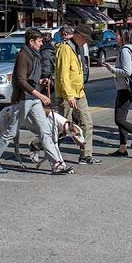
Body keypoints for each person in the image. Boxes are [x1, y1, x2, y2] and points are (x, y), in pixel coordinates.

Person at [0, 28, 72, 175]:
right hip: (23, 100)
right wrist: (40, 94)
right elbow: (21, 81)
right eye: (39, 41)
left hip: (34, 99)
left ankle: (57, 164)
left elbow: (31, 78)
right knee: (11, 132)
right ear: (31, 41)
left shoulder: (35, 55)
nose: (41, 43)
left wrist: (41, 81)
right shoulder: (23, 56)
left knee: (45, 131)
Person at [54, 24, 99, 165]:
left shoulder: (78, 48)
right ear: (78, 35)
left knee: (87, 123)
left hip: (79, 92)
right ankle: (42, 146)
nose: (86, 41)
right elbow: (63, 75)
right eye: (85, 38)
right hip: (67, 94)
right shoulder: (65, 48)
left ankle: (86, 155)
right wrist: (69, 95)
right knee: (63, 127)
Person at [101, 33, 132, 157]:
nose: (115, 38)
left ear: (123, 37)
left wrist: (112, 69)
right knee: (121, 119)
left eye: (117, 36)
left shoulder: (125, 51)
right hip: (129, 87)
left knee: (119, 119)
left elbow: (127, 72)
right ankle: (122, 149)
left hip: (126, 88)